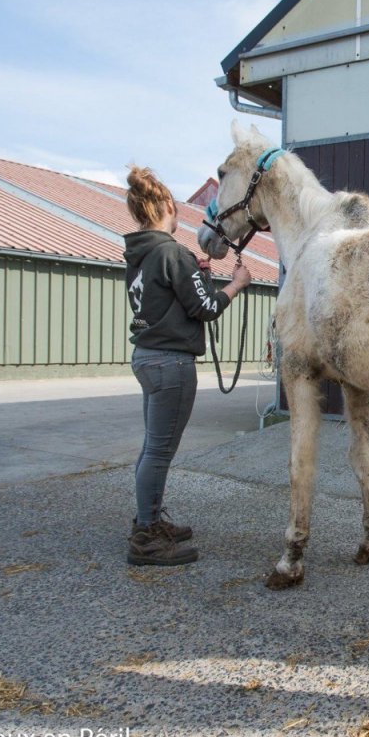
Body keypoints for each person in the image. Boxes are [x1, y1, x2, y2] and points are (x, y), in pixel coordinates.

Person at [122, 165, 251, 566]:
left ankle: (150, 519)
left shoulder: (141, 255)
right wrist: (236, 284)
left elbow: (181, 301)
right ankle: (146, 536)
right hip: (171, 364)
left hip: (146, 357)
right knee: (160, 452)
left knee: (151, 448)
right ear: (164, 208)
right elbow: (207, 307)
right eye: (175, 210)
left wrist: (201, 278)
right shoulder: (172, 252)